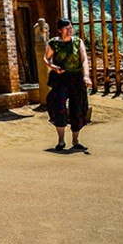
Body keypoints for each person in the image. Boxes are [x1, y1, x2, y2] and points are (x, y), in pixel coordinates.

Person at [44, 18, 91, 152]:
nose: (70, 30)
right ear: (59, 30)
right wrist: (53, 67)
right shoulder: (54, 43)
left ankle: (75, 140)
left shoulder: (77, 42)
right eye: (66, 28)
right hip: (61, 79)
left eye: (71, 27)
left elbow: (84, 60)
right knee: (59, 106)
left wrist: (86, 76)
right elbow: (46, 58)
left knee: (77, 108)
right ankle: (61, 140)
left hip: (76, 79)